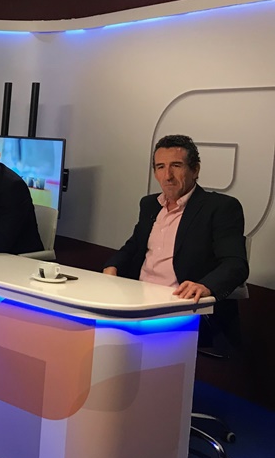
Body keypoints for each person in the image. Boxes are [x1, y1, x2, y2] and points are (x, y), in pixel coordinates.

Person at [104, 134, 248, 338]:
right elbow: (135, 245)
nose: (167, 176)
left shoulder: (220, 207)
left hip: (182, 309)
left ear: (195, 170)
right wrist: (113, 266)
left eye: (176, 166)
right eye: (160, 167)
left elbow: (235, 264)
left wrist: (206, 286)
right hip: (138, 301)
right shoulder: (149, 204)